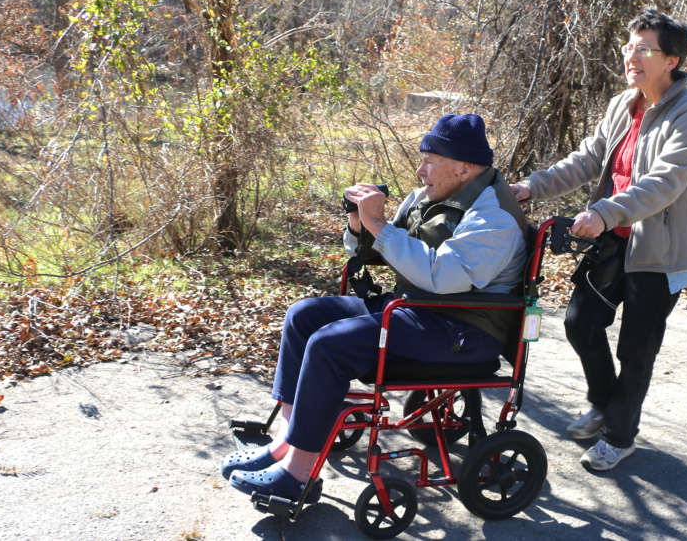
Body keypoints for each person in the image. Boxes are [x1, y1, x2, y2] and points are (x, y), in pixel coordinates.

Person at [221, 113, 529, 502]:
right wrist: (358, 224)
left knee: (330, 344)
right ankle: (286, 444)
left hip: (464, 331)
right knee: (305, 316)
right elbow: (386, 253)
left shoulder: (493, 217)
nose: (420, 171)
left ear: (464, 168)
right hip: (420, 310)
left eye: (429, 161)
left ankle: (296, 476)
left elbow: (442, 275)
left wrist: (380, 226)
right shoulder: (431, 197)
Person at [510, 8, 687, 471]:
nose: (632, 56)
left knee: (636, 349)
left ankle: (620, 436)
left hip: (660, 251)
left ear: (671, 60)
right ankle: (605, 403)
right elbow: (586, 160)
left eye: (645, 48)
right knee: (581, 322)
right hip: (614, 238)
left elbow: (666, 182)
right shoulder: (624, 103)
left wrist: (601, 212)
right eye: (630, 46)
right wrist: (531, 186)